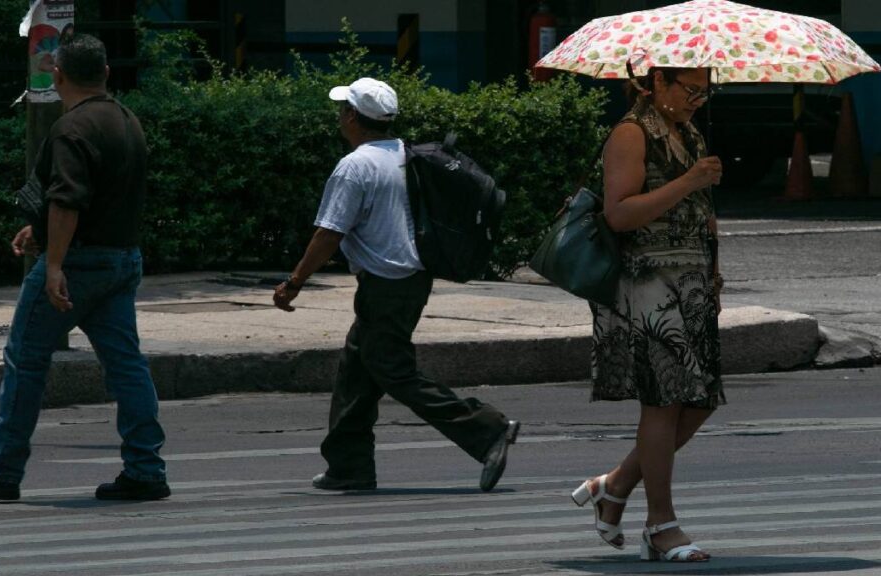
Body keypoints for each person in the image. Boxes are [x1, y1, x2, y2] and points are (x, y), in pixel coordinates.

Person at [0, 34, 169, 502]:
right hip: (122, 258)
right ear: (106, 73)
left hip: (80, 261)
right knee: (127, 365)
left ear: (59, 76)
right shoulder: (127, 121)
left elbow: (67, 200)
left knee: (25, 359)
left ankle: (1, 468)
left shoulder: (71, 130)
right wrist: (42, 232)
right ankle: (146, 468)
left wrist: (53, 263)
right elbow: (101, 197)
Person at [273, 77, 519, 492]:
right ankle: (348, 466)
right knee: (356, 371)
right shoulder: (404, 154)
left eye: (341, 110)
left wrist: (295, 282)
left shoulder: (356, 165)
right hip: (408, 279)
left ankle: (486, 428)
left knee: (394, 372)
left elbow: (329, 233)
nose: (339, 117)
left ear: (352, 116)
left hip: (387, 284)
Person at [571, 67, 723, 562]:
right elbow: (620, 213)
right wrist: (689, 180)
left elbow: (701, 211)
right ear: (656, 82)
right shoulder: (631, 134)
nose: (698, 99)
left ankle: (612, 486)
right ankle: (661, 525)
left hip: (693, 283)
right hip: (648, 284)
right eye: (690, 89)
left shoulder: (688, 132)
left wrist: (715, 270)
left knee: (700, 400)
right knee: (663, 402)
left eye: (706, 91)